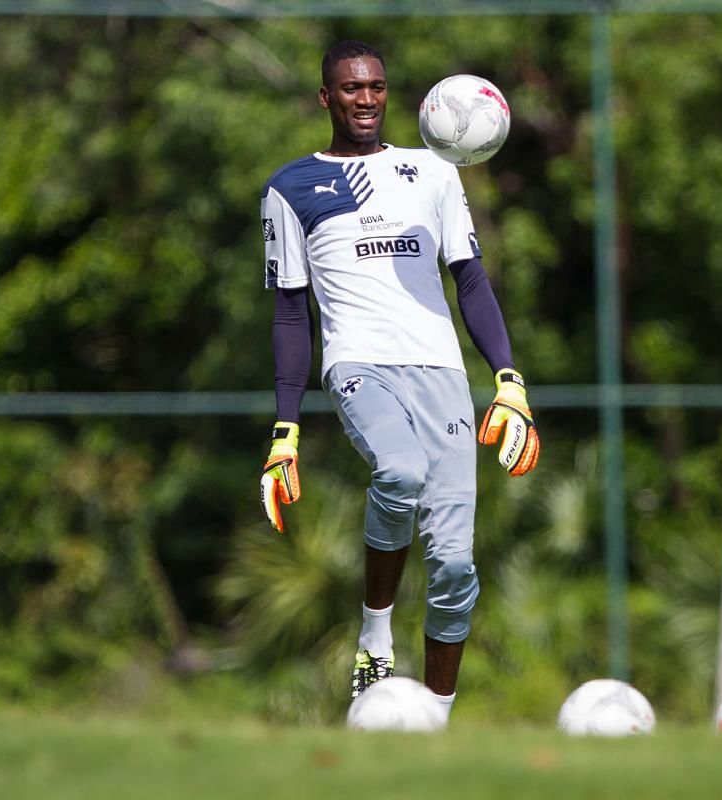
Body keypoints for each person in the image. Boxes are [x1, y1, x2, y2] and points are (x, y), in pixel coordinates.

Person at [257, 40, 540, 726]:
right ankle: (375, 632)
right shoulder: (290, 188)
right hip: (358, 364)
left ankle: (437, 719)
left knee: (453, 571)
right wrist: (285, 427)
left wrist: (508, 379)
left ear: (389, 94)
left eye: (376, 88)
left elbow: (470, 281)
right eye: (351, 89)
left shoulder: (434, 173)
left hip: (441, 372)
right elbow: (292, 314)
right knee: (400, 470)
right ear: (327, 97)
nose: (366, 100)